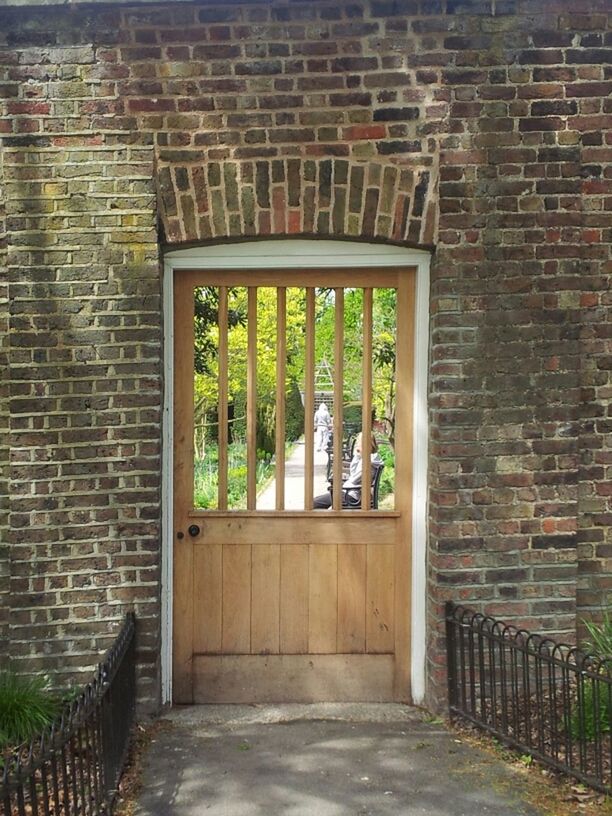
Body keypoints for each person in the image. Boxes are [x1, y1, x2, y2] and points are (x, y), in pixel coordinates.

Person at [313, 432, 382, 509]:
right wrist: (358, 455)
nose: (357, 445)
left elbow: (354, 479)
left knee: (313, 503)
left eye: (358, 443)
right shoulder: (369, 459)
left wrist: (344, 483)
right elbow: (353, 473)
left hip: (351, 496)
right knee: (315, 501)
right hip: (350, 493)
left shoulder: (367, 462)